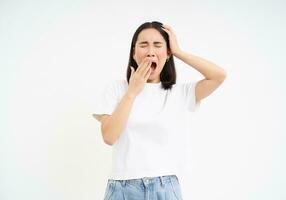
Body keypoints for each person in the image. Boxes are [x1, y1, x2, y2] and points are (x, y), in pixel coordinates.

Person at [93, 21, 227, 200]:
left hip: (165, 189)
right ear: (134, 52)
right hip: (122, 189)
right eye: (143, 45)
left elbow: (219, 76)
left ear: (167, 53)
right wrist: (132, 91)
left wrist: (179, 51)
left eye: (158, 45)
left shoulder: (179, 93)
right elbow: (109, 136)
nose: (150, 51)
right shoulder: (116, 89)